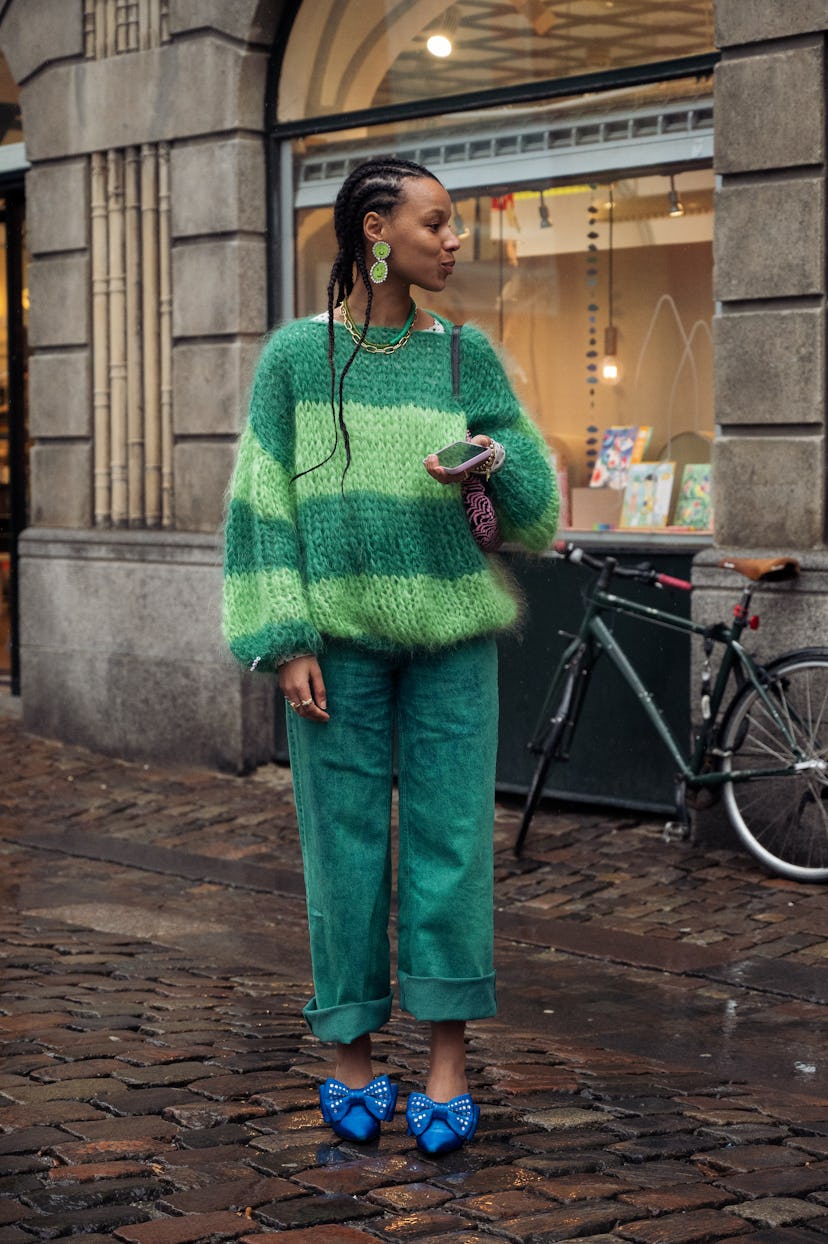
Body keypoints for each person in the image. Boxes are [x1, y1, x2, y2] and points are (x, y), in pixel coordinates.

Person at [222, 156, 558, 1155]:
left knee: (454, 846)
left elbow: (533, 507)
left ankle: (447, 1060)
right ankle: (352, 1052)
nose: (456, 241)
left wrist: (495, 462)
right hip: (336, 647)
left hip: (455, 640)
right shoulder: (297, 358)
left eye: (454, 227)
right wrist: (285, 640)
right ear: (378, 230)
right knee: (345, 848)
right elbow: (260, 507)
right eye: (438, 223)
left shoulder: (466, 356)